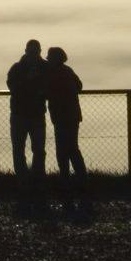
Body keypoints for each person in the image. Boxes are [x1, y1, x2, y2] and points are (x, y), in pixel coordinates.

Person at [6, 38, 48, 179]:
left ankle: (37, 177)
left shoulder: (44, 68)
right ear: (26, 51)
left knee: (38, 150)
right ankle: (23, 179)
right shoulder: (17, 68)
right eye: (32, 52)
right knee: (19, 149)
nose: (34, 54)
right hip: (21, 114)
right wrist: (28, 79)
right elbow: (13, 87)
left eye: (35, 52)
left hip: (34, 115)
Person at [45, 45, 85, 185]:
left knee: (64, 150)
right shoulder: (67, 71)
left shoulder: (54, 73)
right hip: (71, 115)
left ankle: (66, 179)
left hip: (62, 116)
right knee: (72, 148)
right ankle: (80, 179)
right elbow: (79, 86)